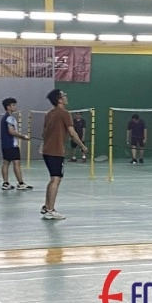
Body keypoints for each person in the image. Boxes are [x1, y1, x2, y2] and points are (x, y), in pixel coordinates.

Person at [40, 89, 86, 220]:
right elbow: (72, 133)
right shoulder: (65, 113)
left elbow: (43, 133)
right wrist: (82, 146)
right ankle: (50, 210)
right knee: (56, 179)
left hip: (46, 151)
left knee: (53, 179)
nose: (66, 97)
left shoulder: (48, 114)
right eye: (64, 95)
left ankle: (46, 206)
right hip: (56, 152)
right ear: (60, 99)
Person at [0, 98, 32, 191]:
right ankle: (21, 184)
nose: (15, 107)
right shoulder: (10, 118)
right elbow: (11, 132)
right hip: (11, 145)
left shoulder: (4, 118)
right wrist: (23, 136)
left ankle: (5, 184)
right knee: (16, 163)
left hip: (5, 145)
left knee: (6, 162)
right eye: (13, 105)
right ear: (8, 107)